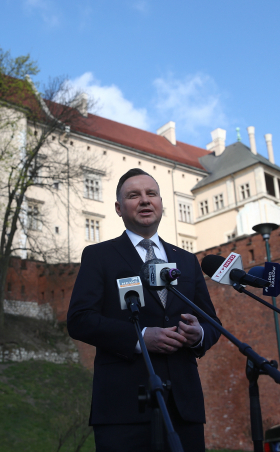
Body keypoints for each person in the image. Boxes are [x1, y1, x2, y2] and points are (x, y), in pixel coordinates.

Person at [67, 168, 221, 452]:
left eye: (151, 194)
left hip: (183, 409)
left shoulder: (186, 261)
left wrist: (198, 334)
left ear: (161, 203)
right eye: (133, 195)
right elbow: (79, 320)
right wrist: (141, 338)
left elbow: (213, 324)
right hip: (124, 408)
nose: (145, 200)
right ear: (118, 208)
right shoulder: (100, 256)